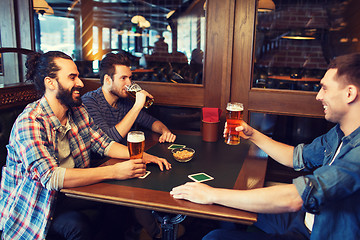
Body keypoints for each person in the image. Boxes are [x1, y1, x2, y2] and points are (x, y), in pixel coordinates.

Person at [170, 53, 360, 239]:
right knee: (232, 203)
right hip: (304, 219)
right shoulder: (339, 133)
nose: (318, 96)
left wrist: (211, 194)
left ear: (349, 93)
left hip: (317, 232)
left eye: (325, 88)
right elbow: (295, 156)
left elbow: (294, 198)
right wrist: (252, 134)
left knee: (214, 237)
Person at [0, 51, 171, 240]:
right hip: (39, 203)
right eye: (72, 77)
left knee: (118, 205)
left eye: (78, 76)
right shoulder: (30, 122)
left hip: (72, 192)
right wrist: (114, 171)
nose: (80, 83)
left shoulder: (77, 109)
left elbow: (104, 144)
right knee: (77, 227)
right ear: (50, 83)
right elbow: (51, 177)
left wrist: (142, 156)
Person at [82, 52, 176, 144]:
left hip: (125, 156)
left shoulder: (123, 102)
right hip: (103, 160)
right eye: (123, 78)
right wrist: (137, 107)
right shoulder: (90, 101)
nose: (129, 83)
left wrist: (165, 131)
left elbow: (151, 122)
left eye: (130, 78)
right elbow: (107, 140)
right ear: (107, 80)